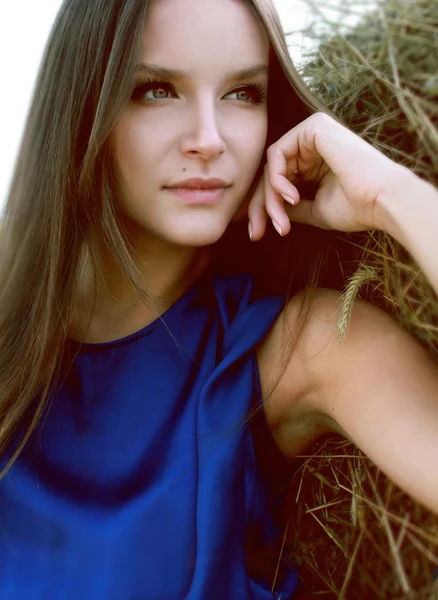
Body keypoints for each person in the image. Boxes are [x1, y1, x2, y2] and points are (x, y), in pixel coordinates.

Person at [0, 0, 437, 598]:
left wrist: (390, 193)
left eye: (243, 94)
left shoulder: (299, 350)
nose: (208, 140)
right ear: (82, 106)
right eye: (156, 90)